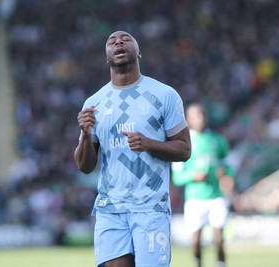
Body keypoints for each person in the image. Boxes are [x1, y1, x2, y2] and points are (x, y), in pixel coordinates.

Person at [74, 30, 191, 267]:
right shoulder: (94, 103)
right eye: (111, 41)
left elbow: (185, 149)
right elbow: (85, 166)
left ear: (139, 52)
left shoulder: (164, 95)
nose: (118, 41)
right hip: (111, 209)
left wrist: (150, 144)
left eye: (126, 39)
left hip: (151, 208)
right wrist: (86, 136)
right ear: (107, 57)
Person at [171, 103, 234, 267]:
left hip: (216, 196)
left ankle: (221, 263)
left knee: (219, 236)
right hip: (195, 198)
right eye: (197, 115)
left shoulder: (218, 140)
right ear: (189, 119)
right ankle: (197, 263)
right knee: (196, 239)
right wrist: (194, 176)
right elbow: (177, 177)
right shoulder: (183, 142)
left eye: (203, 114)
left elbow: (228, 166)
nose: (202, 118)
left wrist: (225, 173)